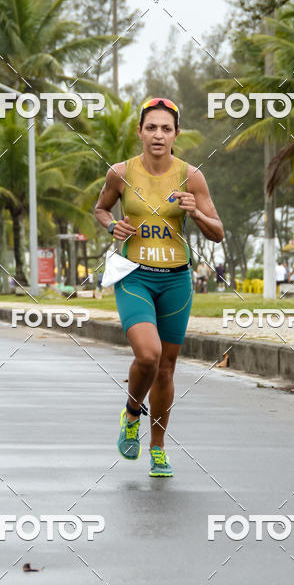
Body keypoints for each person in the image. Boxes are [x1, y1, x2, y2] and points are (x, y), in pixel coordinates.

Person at [94, 97, 223, 478]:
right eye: (151, 127)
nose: (158, 134)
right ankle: (132, 413)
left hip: (176, 280)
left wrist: (194, 211)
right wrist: (109, 225)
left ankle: (158, 448)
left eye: (166, 128)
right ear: (140, 132)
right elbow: (101, 208)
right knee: (148, 355)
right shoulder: (120, 173)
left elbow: (217, 232)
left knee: (166, 369)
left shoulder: (191, 176)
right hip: (134, 275)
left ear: (176, 134)